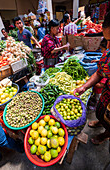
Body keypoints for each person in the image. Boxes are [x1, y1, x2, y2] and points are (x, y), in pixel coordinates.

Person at [74, 11, 110, 145]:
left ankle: (105, 135)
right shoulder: (108, 54)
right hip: (107, 95)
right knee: (101, 111)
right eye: (106, 41)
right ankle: (101, 121)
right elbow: (100, 72)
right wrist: (84, 87)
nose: (107, 47)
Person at [89, 38, 107, 110]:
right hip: (99, 89)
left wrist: (92, 82)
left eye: (102, 49)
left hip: (100, 91)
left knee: (99, 99)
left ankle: (96, 107)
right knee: (96, 96)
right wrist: (98, 60)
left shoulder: (105, 71)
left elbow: (101, 85)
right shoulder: (106, 59)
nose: (101, 51)